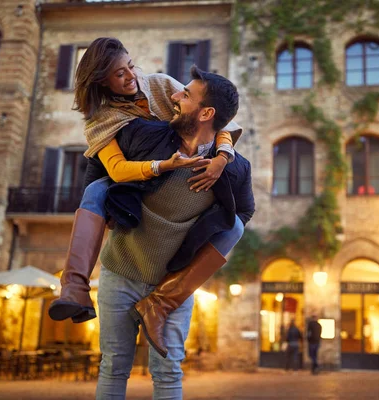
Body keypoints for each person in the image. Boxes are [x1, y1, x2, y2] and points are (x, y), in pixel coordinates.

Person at [48, 37, 241, 324]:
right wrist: (162, 166)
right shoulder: (100, 119)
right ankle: (74, 288)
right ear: (102, 81)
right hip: (127, 175)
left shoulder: (160, 85)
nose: (131, 77)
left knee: (235, 225)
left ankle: (164, 300)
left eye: (130, 66)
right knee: (94, 192)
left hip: (172, 167)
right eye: (119, 74)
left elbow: (215, 119)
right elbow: (116, 169)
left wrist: (221, 158)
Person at [93, 66, 254, 399]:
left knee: (168, 372)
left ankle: (161, 303)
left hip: (173, 285)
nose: (175, 96)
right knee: (113, 366)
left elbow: (244, 212)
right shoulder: (149, 135)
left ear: (207, 112)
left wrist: (221, 159)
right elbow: (100, 157)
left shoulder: (235, 169)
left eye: (186, 94)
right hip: (119, 272)